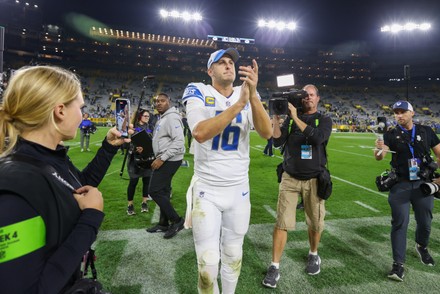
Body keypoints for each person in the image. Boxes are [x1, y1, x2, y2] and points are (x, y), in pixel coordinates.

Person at [0, 65, 131, 293]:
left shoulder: (47, 156)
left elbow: (77, 185)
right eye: (80, 107)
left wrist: (108, 147)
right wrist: (90, 219)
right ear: (60, 110)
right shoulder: (16, 186)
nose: (83, 114)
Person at [182, 48, 272, 293]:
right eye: (221, 62)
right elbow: (199, 132)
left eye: (231, 62)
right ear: (209, 70)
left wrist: (252, 97)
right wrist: (239, 104)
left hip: (238, 189)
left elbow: (267, 133)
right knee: (208, 264)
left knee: (233, 254)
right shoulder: (198, 90)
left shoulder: (248, 94)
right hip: (207, 190)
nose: (228, 65)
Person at [262, 84, 332, 288]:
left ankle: (313, 254)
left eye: (311, 95)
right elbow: (276, 142)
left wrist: (296, 117)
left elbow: (318, 138)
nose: (308, 98)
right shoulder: (290, 120)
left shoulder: (323, 119)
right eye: (305, 95)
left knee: (315, 223)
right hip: (290, 178)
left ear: (318, 98)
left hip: (314, 179)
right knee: (282, 222)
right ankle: (274, 266)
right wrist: (276, 119)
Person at [374, 100, 440, 282]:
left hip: (423, 184)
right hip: (400, 185)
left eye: (403, 112)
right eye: (396, 112)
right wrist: (379, 149)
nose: (399, 115)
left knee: (425, 222)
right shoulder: (390, 134)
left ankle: (422, 246)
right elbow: (380, 157)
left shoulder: (426, 131)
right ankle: (398, 264)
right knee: (399, 223)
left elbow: (439, 153)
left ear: (412, 113)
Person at [146, 93, 185, 239]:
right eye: (156, 101)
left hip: (170, 159)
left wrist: (162, 158)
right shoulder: (163, 118)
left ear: (169, 102)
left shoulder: (172, 117)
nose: (158, 103)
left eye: (162, 101)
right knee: (163, 191)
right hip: (166, 158)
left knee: (154, 190)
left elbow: (179, 142)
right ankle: (163, 223)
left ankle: (177, 220)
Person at [126, 109, 154, 215]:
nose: (147, 118)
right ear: (140, 117)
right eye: (145, 116)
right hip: (135, 159)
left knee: (146, 181)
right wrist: (134, 146)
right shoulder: (132, 127)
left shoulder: (151, 127)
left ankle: (144, 203)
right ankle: (130, 205)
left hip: (147, 158)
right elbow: (126, 144)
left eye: (148, 116)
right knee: (133, 182)